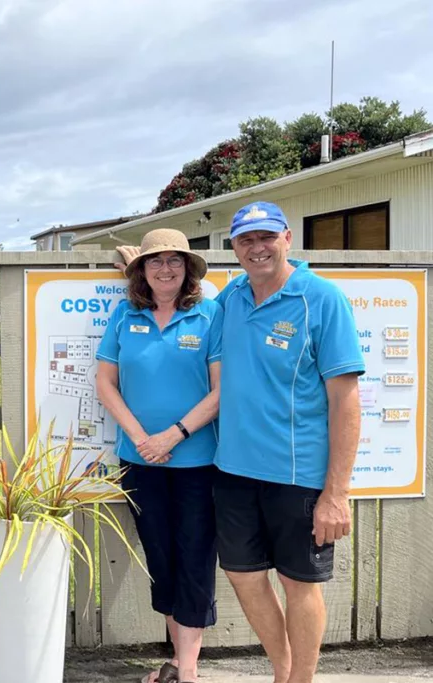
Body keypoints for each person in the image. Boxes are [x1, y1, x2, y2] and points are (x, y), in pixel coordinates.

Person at [114, 202, 365, 683]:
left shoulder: (322, 299)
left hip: (298, 474)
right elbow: (171, 288)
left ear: (287, 238)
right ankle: (283, 671)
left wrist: (336, 493)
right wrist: (138, 259)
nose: (257, 248)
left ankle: (300, 680)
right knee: (246, 578)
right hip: (232, 471)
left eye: (266, 237)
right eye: (246, 240)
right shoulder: (231, 300)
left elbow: (346, 401)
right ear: (235, 248)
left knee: (298, 584)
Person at [96, 228, 223, 683]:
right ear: (141, 271)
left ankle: (186, 668)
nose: (165, 269)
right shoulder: (124, 314)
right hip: (140, 461)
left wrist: (173, 435)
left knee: (194, 556)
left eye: (174, 261)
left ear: (188, 269)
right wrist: (142, 438)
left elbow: (221, 390)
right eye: (155, 262)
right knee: (161, 555)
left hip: (198, 462)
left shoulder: (210, 314)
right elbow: (105, 383)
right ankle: (178, 660)